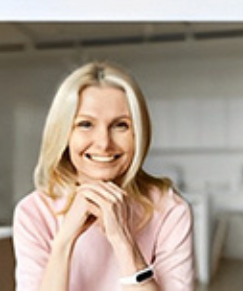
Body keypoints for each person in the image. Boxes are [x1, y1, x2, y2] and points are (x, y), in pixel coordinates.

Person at [14, 62, 192, 291]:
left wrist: (124, 241)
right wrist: (63, 243)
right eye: (85, 124)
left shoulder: (169, 210)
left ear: (139, 133)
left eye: (120, 125)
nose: (104, 143)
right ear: (64, 133)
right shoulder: (33, 212)